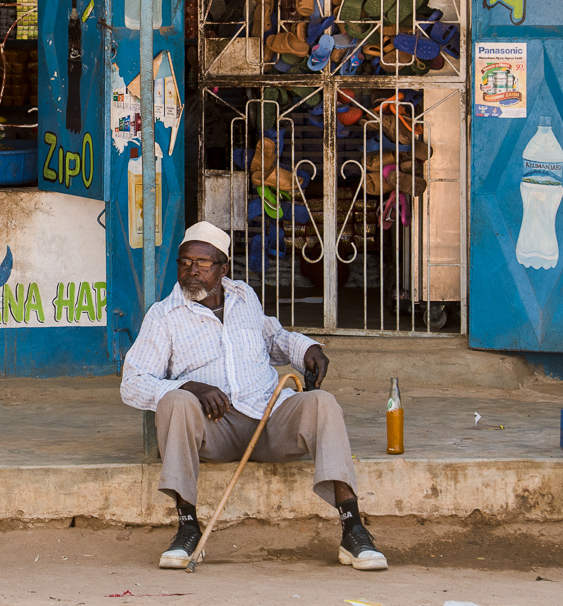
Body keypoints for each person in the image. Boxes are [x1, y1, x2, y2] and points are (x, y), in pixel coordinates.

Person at [120, 221, 387, 572]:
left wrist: (306, 348)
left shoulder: (244, 296)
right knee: (175, 402)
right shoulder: (164, 315)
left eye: (203, 263)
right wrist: (189, 387)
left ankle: (353, 529)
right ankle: (187, 528)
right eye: (185, 262)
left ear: (223, 268)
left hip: (267, 418)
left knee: (323, 403)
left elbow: (273, 338)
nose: (192, 271)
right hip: (213, 430)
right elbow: (132, 382)